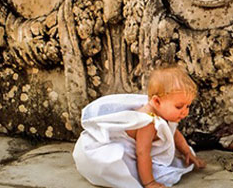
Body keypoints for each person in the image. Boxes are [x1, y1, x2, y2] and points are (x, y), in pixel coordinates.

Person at [73, 66, 206, 188]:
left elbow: (174, 133)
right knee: (119, 169)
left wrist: (187, 152)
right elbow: (142, 153)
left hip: (140, 149)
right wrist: (149, 182)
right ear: (156, 101)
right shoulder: (147, 122)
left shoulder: (163, 112)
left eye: (187, 106)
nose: (185, 111)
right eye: (179, 106)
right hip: (121, 150)